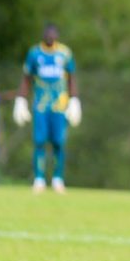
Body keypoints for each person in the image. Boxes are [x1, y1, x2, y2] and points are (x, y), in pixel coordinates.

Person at [14, 23, 82, 193]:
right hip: (41, 104)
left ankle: (58, 178)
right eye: (48, 33)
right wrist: (21, 99)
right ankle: (39, 178)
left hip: (59, 104)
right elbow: (26, 78)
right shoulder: (34, 53)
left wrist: (75, 100)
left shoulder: (65, 53)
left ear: (57, 35)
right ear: (44, 35)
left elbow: (71, 78)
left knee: (59, 142)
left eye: (53, 34)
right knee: (39, 141)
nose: (50, 36)